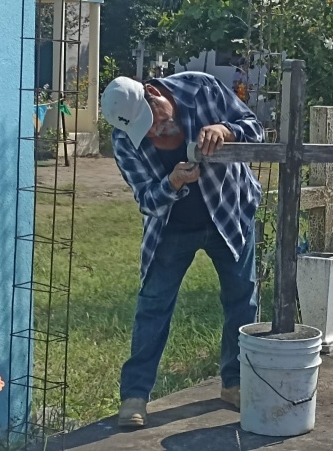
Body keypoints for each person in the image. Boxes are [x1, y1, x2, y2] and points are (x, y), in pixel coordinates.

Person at [99, 71, 263, 427]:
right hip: (171, 226)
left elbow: (255, 128)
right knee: (153, 306)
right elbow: (147, 199)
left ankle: (235, 384)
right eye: (146, 131)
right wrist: (173, 181)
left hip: (229, 210)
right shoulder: (124, 139)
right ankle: (135, 396)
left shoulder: (200, 88)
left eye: (154, 121)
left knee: (242, 299)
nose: (155, 132)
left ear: (155, 94)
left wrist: (226, 130)